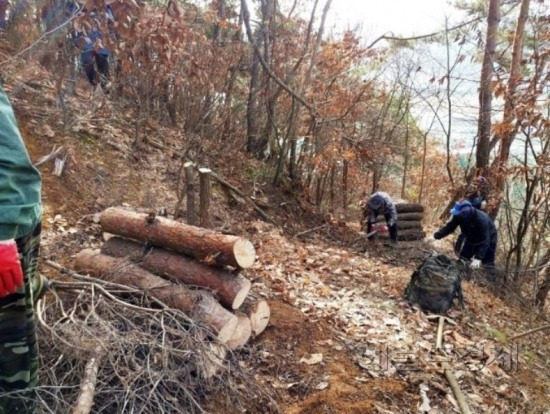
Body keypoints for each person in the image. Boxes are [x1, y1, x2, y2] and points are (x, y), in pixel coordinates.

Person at [0, 85, 45, 413]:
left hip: (7, 219)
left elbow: (12, 165)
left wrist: (2, 240)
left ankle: (18, 405)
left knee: (10, 344)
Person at [426, 200, 498, 281]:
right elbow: (449, 227)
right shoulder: (458, 216)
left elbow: (485, 240)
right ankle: (464, 277)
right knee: (463, 259)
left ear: (464, 214)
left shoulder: (481, 219)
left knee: (488, 261)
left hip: (489, 238)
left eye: (458, 214)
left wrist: (478, 258)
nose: (457, 215)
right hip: (471, 237)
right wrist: (435, 236)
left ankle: (491, 281)